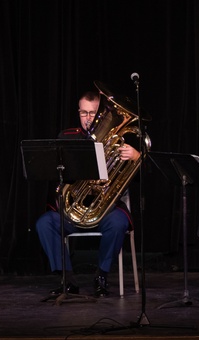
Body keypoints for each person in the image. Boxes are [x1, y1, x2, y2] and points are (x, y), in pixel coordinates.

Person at [35, 89, 140, 298]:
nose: (88, 118)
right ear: (78, 113)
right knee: (44, 223)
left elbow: (144, 174)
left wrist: (137, 156)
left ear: (100, 114)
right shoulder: (67, 137)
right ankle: (67, 280)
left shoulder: (119, 141)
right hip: (74, 210)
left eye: (92, 113)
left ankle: (101, 276)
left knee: (119, 223)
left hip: (106, 209)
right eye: (84, 113)